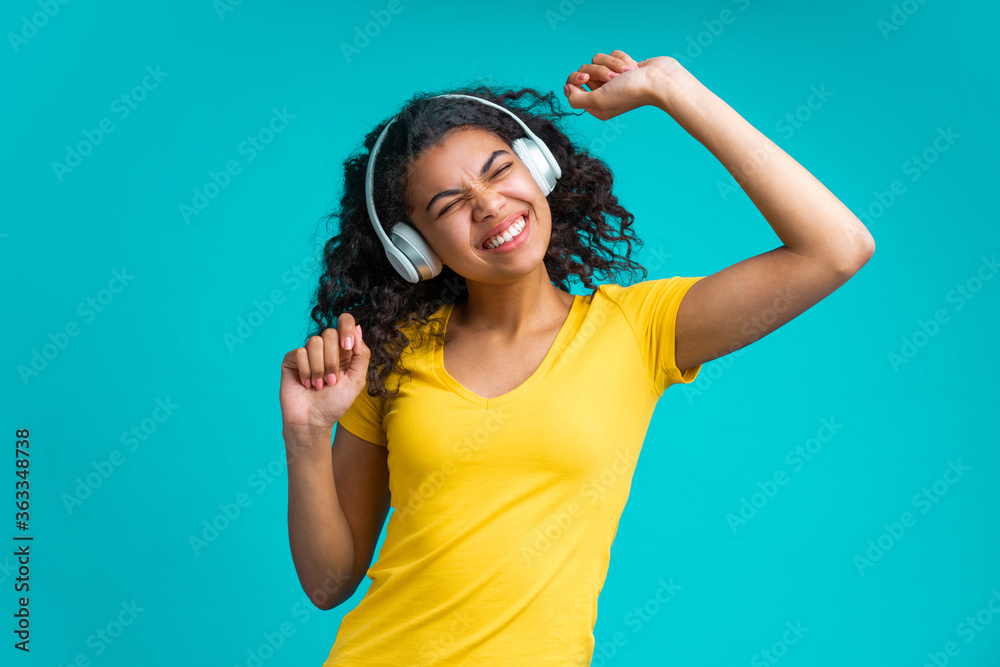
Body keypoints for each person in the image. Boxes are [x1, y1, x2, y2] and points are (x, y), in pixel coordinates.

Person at [279, 49, 875, 666]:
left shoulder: (638, 329)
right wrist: (305, 435)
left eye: (500, 169)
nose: (488, 204)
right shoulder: (392, 360)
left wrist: (672, 88)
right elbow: (328, 585)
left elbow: (835, 249)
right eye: (449, 205)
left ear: (538, 166)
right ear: (416, 250)